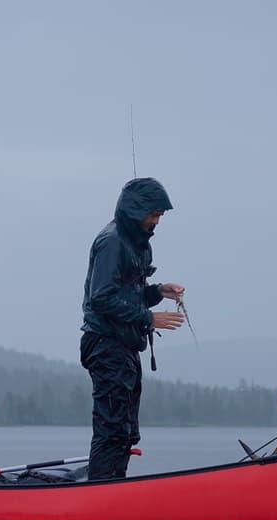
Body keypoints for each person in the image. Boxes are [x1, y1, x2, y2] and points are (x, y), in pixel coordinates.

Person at [80, 177, 186, 480]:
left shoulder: (138, 243)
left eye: (159, 216)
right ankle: (101, 494)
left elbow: (125, 291)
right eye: (153, 215)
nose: (156, 221)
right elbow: (101, 297)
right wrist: (149, 318)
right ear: (134, 210)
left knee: (126, 431)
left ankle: (114, 489)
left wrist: (156, 292)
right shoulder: (112, 241)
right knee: (111, 428)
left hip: (123, 346)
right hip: (104, 344)